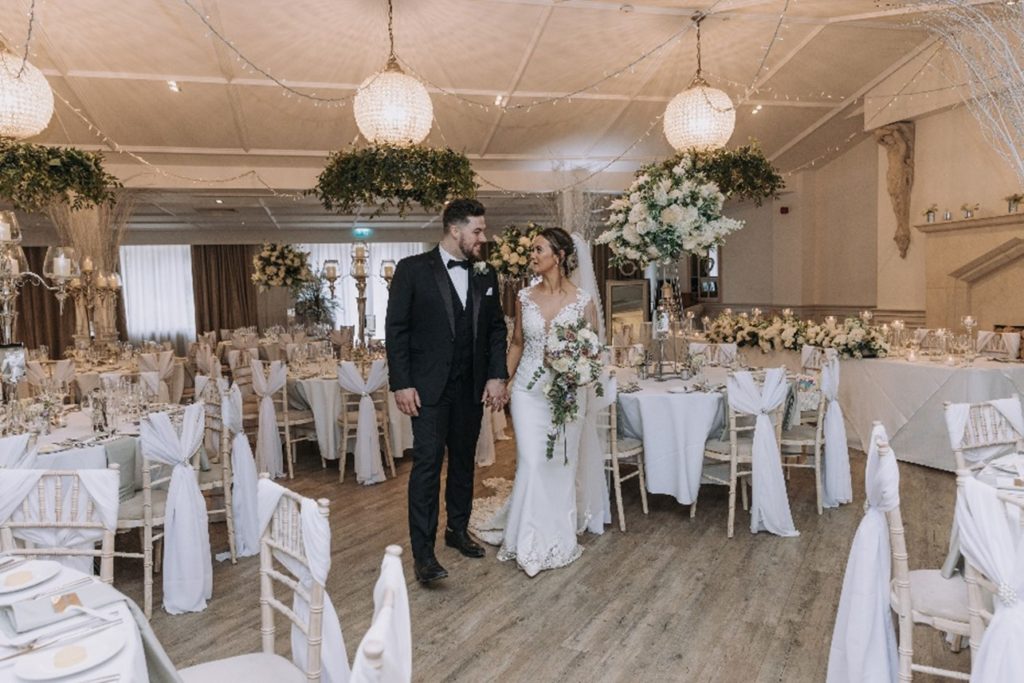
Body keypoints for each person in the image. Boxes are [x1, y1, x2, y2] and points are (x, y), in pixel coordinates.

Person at [385, 198, 509, 584]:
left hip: (471, 388)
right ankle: (423, 554)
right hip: (427, 388)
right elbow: (396, 330)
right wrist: (402, 382)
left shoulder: (485, 274)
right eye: (477, 230)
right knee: (426, 468)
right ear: (455, 230)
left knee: (462, 464)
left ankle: (456, 531)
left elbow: (495, 330)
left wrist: (496, 375)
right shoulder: (412, 270)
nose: (482, 237)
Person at [496, 227, 600, 577]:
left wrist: (578, 371)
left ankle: (557, 536)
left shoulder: (584, 301)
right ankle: (527, 541)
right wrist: (503, 381)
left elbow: (592, 350)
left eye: (539, 249)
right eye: (532, 250)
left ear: (559, 256)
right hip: (527, 390)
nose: (533, 255)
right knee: (532, 461)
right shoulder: (524, 297)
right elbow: (517, 343)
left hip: (568, 394)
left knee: (559, 466)